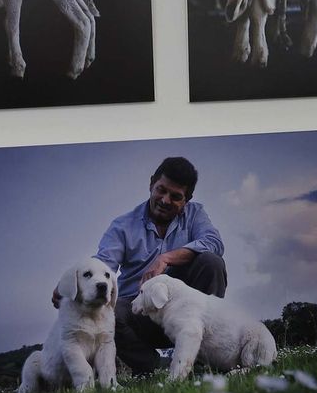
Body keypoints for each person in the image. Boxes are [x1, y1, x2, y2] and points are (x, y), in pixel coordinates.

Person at [86, 156, 227, 375]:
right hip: (139, 314)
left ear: (187, 200)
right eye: (161, 190)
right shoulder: (122, 226)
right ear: (151, 183)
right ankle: (147, 366)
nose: (165, 200)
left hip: (186, 313)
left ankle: (202, 361)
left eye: (176, 196)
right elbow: (103, 266)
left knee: (211, 262)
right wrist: (73, 285)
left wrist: (166, 258)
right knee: (108, 310)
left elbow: (214, 242)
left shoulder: (196, 214)